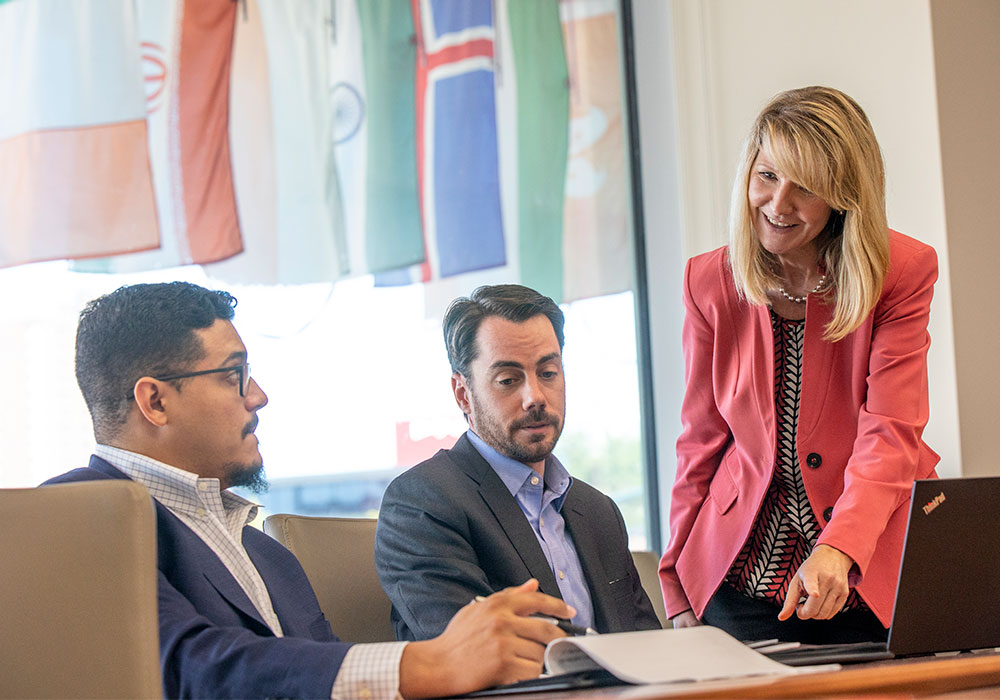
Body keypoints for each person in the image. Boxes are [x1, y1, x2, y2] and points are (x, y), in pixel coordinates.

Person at [43, 282, 574, 700]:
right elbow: (187, 667)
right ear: (155, 402)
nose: (258, 396)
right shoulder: (74, 516)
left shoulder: (268, 556)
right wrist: (428, 662)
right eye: (235, 374)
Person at [659, 86, 940, 644]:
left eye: (804, 187)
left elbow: (891, 433)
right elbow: (701, 440)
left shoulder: (901, 273)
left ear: (842, 196)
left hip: (869, 571)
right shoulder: (707, 281)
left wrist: (838, 546)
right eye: (766, 176)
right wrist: (675, 584)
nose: (777, 204)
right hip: (737, 579)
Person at [374, 284, 660, 641]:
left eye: (548, 373)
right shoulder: (422, 505)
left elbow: (649, 645)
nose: (535, 397)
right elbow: (471, 657)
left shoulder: (598, 511)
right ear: (464, 394)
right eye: (508, 380)